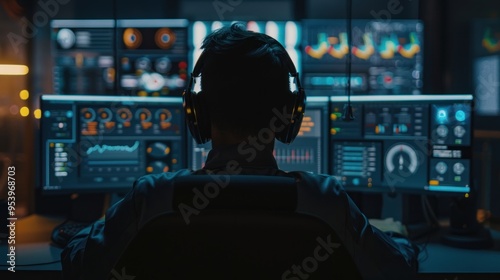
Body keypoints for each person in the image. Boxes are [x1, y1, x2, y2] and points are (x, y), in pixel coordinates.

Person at [61, 23, 419, 279]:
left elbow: (82, 265)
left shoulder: (155, 198)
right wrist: (399, 238)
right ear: (289, 116)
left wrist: (85, 232)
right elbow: (396, 270)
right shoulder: (325, 201)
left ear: (196, 113)